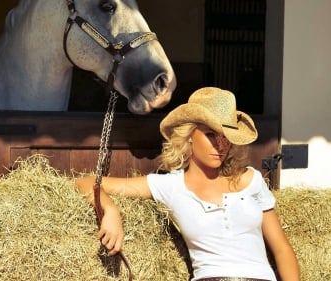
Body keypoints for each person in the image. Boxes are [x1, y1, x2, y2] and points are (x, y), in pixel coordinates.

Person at [75, 87, 300, 281]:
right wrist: (111, 211)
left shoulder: (251, 180)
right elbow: (85, 183)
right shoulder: (171, 186)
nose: (220, 145)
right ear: (190, 135)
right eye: (211, 134)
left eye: (226, 137)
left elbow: (282, 249)